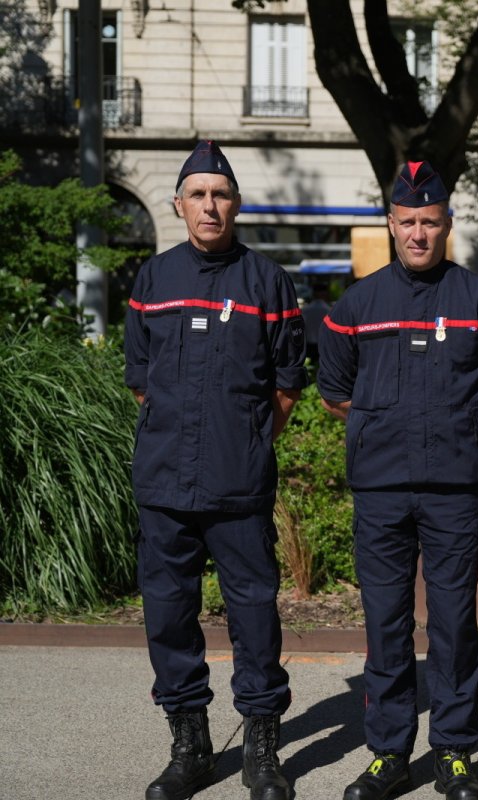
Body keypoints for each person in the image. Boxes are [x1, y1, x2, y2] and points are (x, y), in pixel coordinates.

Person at [317, 160, 478, 800]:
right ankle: (388, 753)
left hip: (453, 492)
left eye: (430, 223)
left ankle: (456, 751)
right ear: (390, 223)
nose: (419, 233)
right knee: (385, 624)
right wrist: (384, 428)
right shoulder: (358, 304)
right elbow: (334, 393)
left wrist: (461, 429)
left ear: (448, 225)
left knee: (453, 623)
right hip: (381, 491)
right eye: (408, 221)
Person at [124, 140, 305, 800]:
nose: (209, 204)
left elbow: (287, 383)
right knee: (168, 615)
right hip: (165, 483)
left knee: (254, 615)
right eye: (197, 194)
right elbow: (141, 381)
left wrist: (249, 439)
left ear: (236, 205)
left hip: (238, 485)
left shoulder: (268, 283)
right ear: (179, 205)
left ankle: (261, 748)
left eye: (220, 193)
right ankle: (190, 746)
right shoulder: (154, 280)